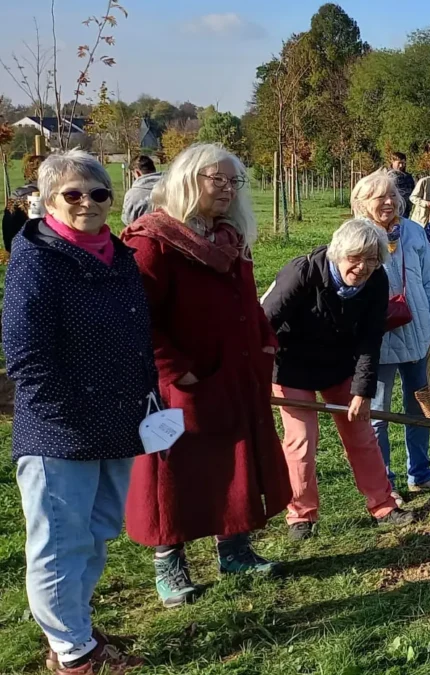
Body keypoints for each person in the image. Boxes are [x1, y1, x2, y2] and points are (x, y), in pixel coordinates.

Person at [122, 143, 292, 608]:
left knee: (233, 460)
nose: (226, 189)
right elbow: (137, 320)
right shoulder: (151, 242)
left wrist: (264, 341)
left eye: (232, 181)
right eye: (215, 179)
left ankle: (233, 548)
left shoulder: (228, 239)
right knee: (173, 471)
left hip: (234, 373)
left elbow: (247, 300)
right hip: (181, 386)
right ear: (186, 179)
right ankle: (169, 563)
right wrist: (180, 372)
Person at [5, 151, 152, 673]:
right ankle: (74, 652)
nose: (87, 202)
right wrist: (62, 418)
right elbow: (25, 352)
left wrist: (147, 394)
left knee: (97, 532)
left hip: (117, 420)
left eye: (98, 193)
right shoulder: (37, 256)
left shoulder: (117, 253)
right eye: (73, 194)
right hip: (61, 429)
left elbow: (138, 331)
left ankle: (71, 625)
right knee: (60, 542)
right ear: (48, 202)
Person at [263, 218, 415, 537]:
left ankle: (383, 505)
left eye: (372, 260)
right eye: (355, 258)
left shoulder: (375, 282)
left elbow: (370, 339)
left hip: (339, 365)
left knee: (361, 434)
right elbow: (264, 324)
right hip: (292, 366)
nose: (362, 268)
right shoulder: (302, 273)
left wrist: (362, 392)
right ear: (337, 253)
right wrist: (254, 375)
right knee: (301, 441)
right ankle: (301, 516)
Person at [352, 169, 430, 492]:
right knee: (379, 415)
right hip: (378, 338)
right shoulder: (355, 235)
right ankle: (385, 483)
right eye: (378, 197)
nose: (387, 202)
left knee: (420, 407)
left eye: (392, 196)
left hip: (418, 331)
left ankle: (421, 475)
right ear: (361, 203)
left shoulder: (413, 231)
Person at [3, 154, 44, 251]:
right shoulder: (54, 195)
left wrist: (10, 249)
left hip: (21, 248)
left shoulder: (17, 194)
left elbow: (8, 225)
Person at [121, 154, 162, 226]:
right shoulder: (171, 188)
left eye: (134, 176)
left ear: (137, 172)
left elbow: (128, 222)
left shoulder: (133, 195)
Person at [389, 151, 415, 219]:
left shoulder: (408, 176)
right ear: (392, 161)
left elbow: (413, 191)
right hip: (394, 208)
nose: (401, 166)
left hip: (406, 209)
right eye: (399, 163)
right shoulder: (388, 177)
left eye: (403, 163)